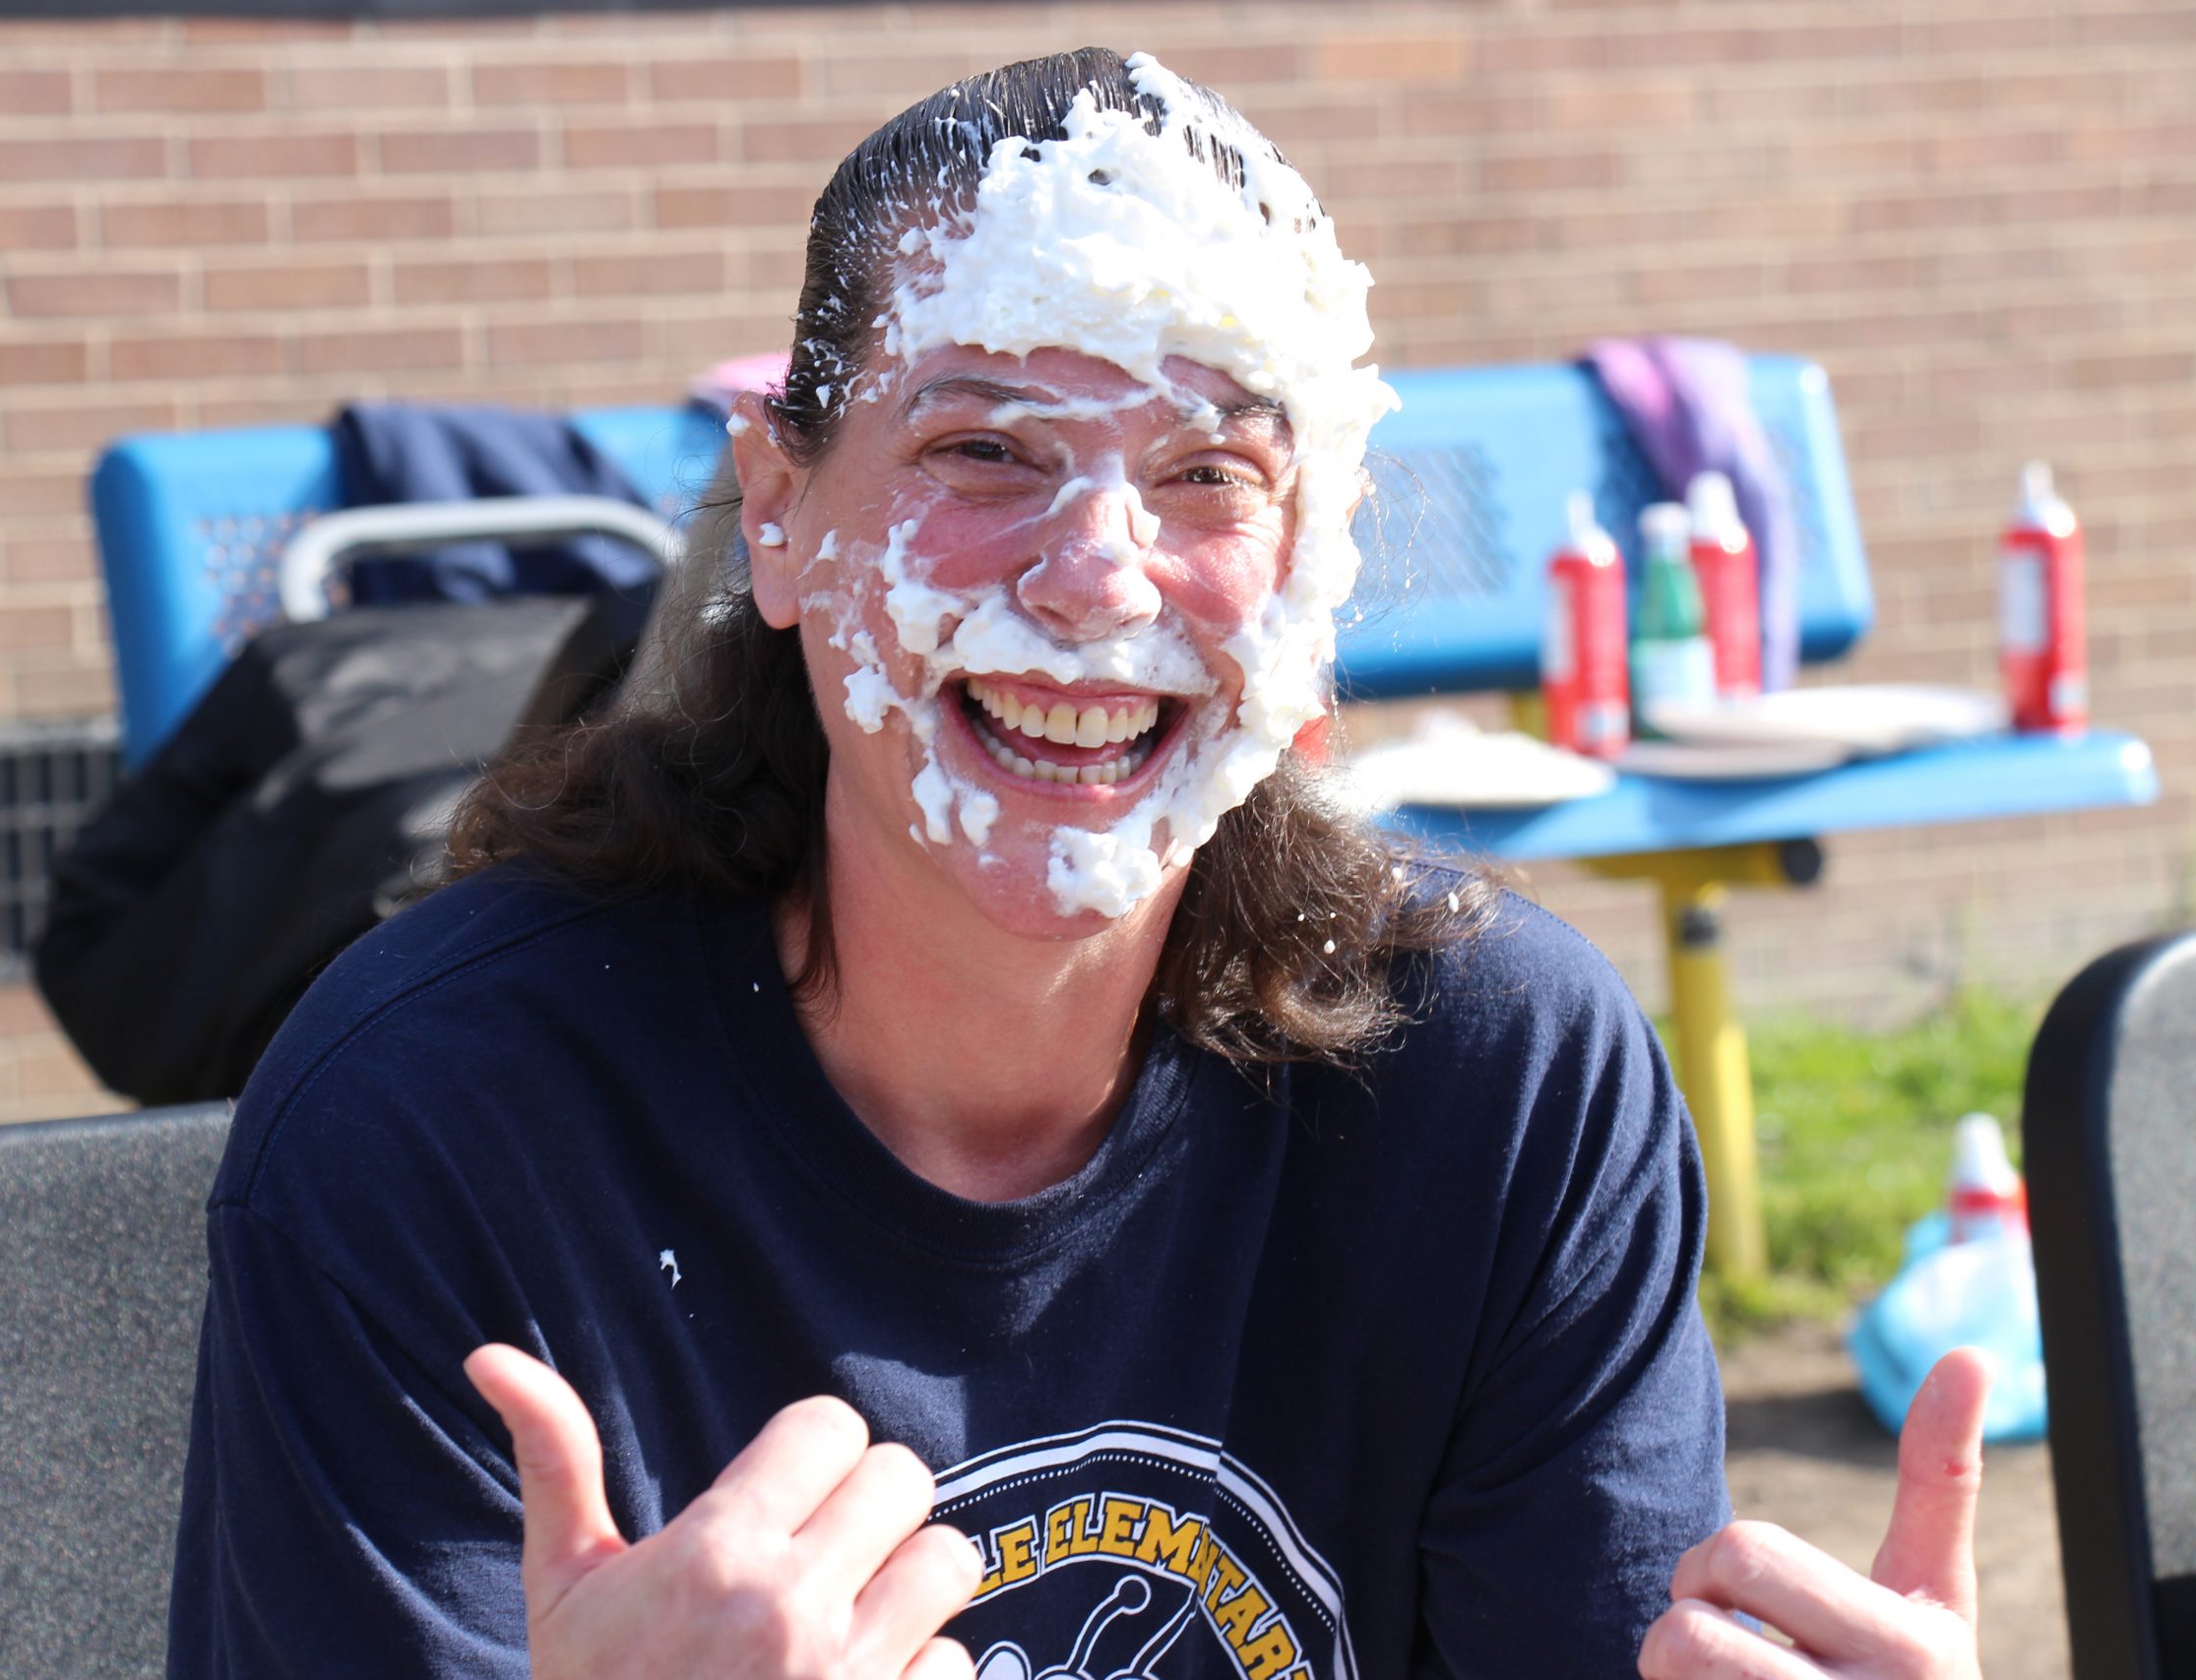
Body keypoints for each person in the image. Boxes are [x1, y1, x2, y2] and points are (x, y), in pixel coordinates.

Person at [167, 47, 1990, 1680]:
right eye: (982, 449)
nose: (1097, 574)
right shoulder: (431, 1128)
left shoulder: (1502, 1087)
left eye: (1208, 475)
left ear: (1318, 566)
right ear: (782, 516)